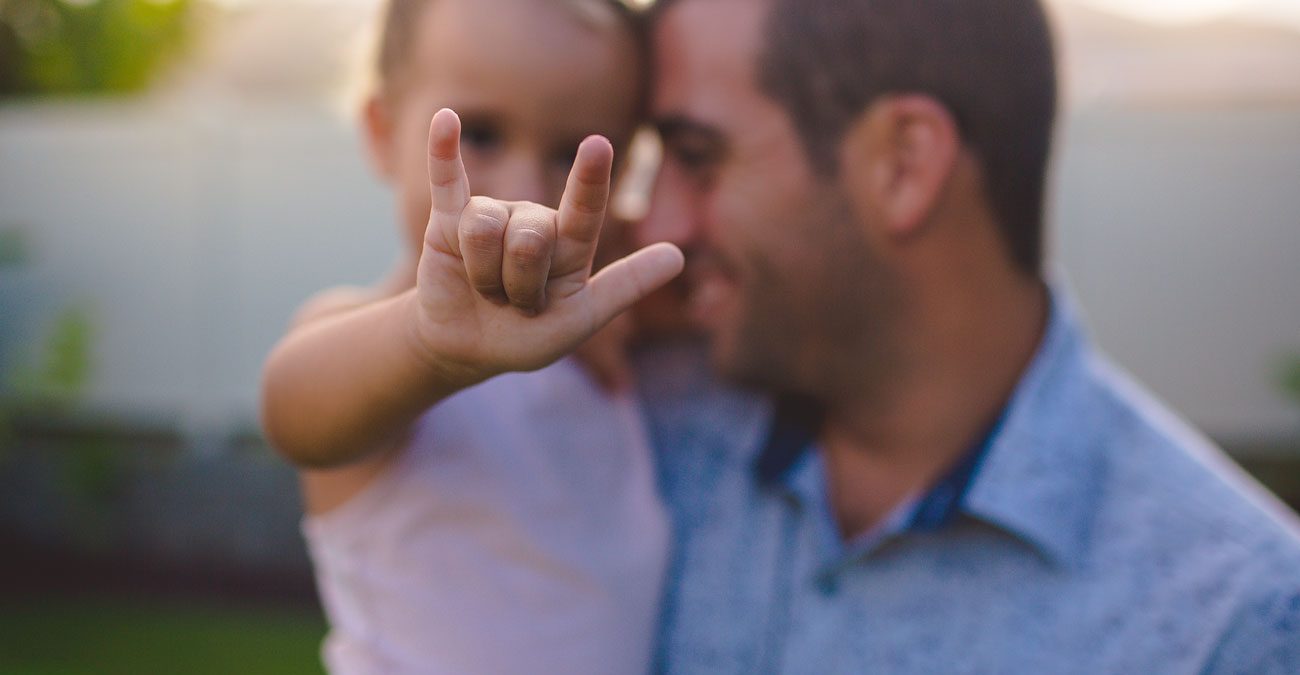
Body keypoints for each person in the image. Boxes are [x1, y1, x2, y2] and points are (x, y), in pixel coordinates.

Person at [628, 0, 1300, 671]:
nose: (653, 224)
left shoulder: (1237, 621)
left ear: (903, 164)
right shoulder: (620, 419)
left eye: (696, 157)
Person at [258, 0, 683, 672]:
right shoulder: (378, 341)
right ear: (381, 131)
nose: (526, 199)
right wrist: (427, 344)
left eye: (573, 157)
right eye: (481, 135)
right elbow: (292, 406)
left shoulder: (606, 333)